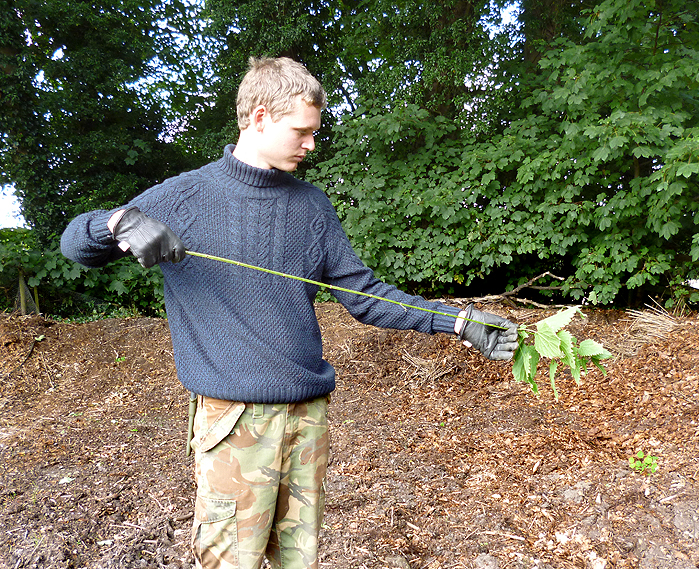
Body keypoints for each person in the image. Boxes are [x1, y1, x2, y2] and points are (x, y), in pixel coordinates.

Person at [61, 56, 518, 569]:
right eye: (302, 131)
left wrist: (459, 321)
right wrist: (119, 222)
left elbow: (365, 296)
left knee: (297, 562)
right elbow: (76, 244)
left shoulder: (311, 206)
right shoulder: (185, 196)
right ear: (260, 118)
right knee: (230, 562)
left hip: (307, 418)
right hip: (234, 422)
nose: (311, 144)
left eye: (314, 132)